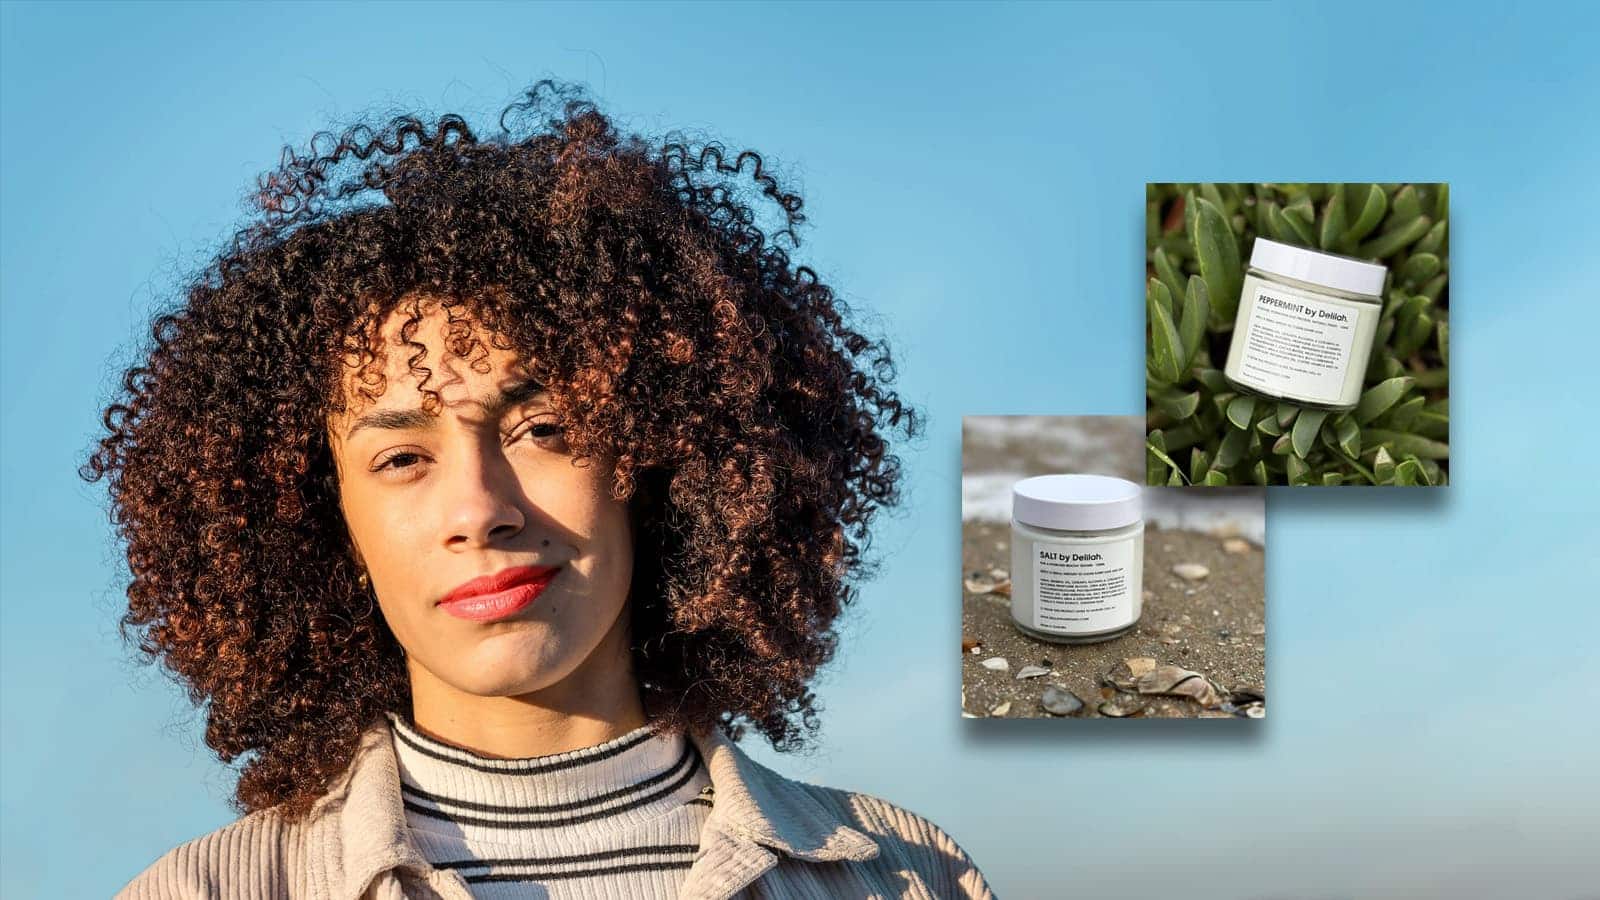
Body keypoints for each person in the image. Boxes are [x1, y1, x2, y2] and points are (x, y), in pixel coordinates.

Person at [86, 80, 993, 899]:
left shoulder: (909, 876)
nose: (482, 510)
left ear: (670, 461)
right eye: (401, 458)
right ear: (329, 528)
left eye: (545, 430)